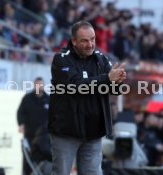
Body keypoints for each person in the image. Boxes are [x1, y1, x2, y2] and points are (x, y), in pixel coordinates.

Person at [48, 21, 126, 175]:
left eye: (93, 39)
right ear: (74, 41)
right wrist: (107, 79)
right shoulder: (61, 59)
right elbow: (76, 86)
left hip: (92, 132)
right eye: (84, 40)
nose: (90, 44)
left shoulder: (101, 59)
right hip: (66, 131)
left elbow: (114, 89)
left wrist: (118, 81)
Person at [17, 77, 49, 175]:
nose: (39, 87)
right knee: (28, 159)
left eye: (41, 85)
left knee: (45, 159)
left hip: (44, 138)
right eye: (37, 85)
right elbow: (20, 112)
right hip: (30, 135)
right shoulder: (27, 98)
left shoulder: (48, 99)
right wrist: (21, 124)